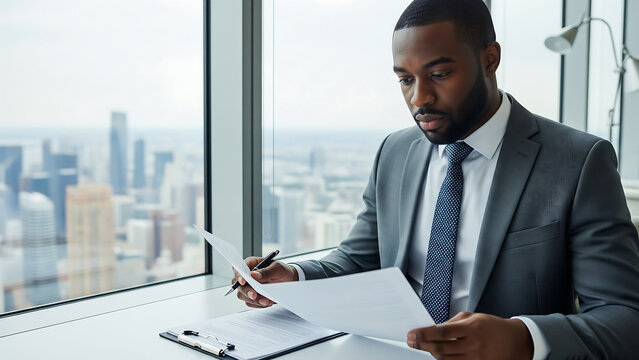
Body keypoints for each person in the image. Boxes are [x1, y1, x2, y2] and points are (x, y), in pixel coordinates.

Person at [232, 0, 639, 358]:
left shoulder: (577, 161)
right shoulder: (395, 152)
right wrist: (295, 276)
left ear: (489, 59)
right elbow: (359, 259)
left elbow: (625, 319)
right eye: (405, 80)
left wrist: (524, 338)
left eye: (439, 74)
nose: (419, 98)